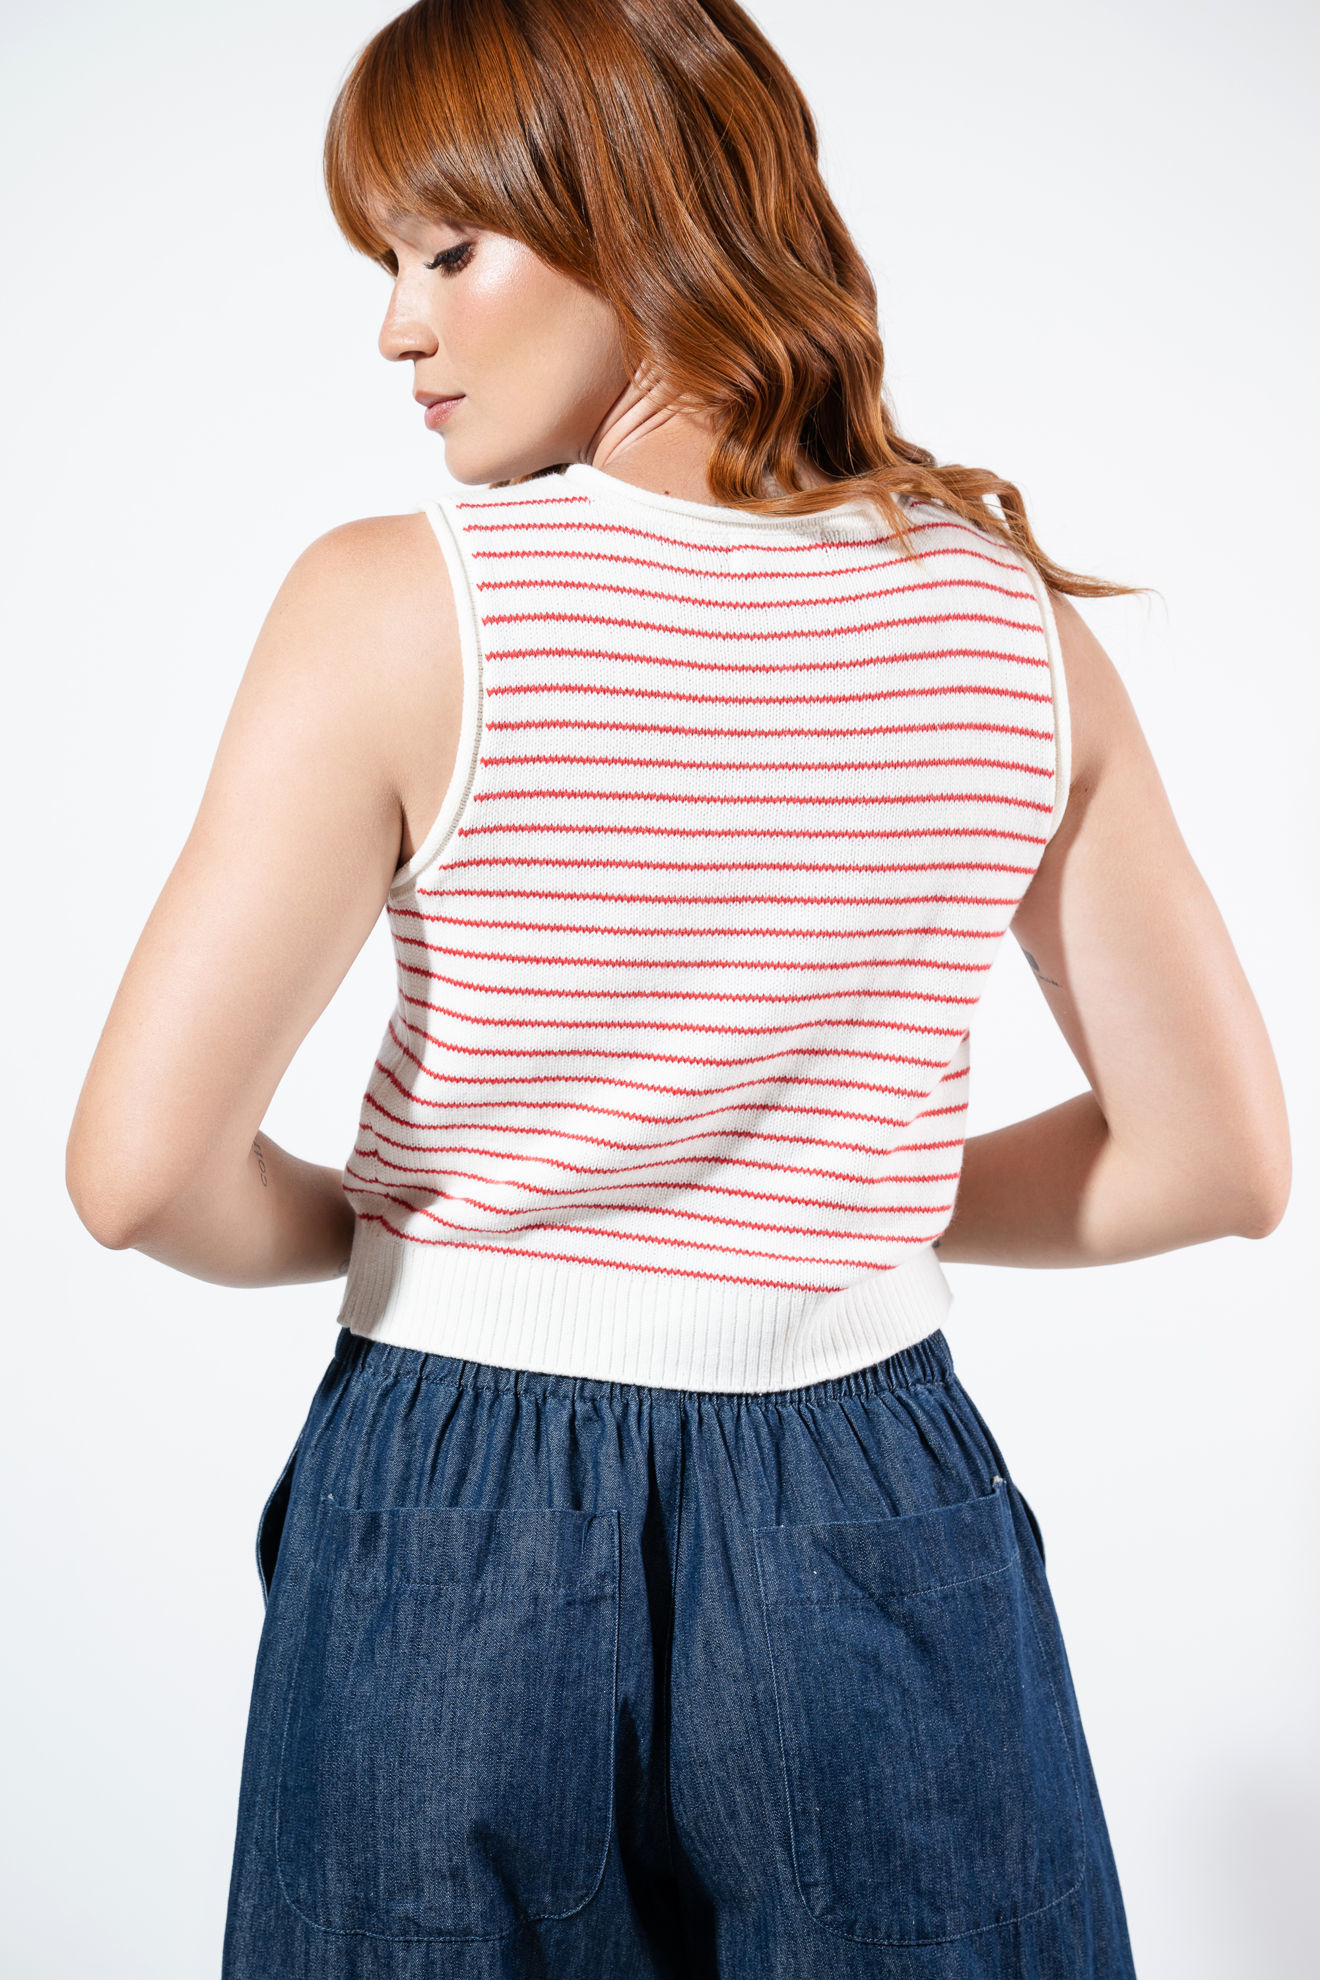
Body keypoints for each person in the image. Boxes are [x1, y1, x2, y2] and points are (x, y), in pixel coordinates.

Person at [65, 0, 1290, 1974]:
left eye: (447, 249)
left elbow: (139, 1176)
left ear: (638, 215)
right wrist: (808, 1191)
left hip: (453, 1493)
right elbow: (1216, 1164)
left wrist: (445, 1216)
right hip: (878, 1487)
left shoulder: (403, 604)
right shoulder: (1012, 629)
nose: (397, 329)